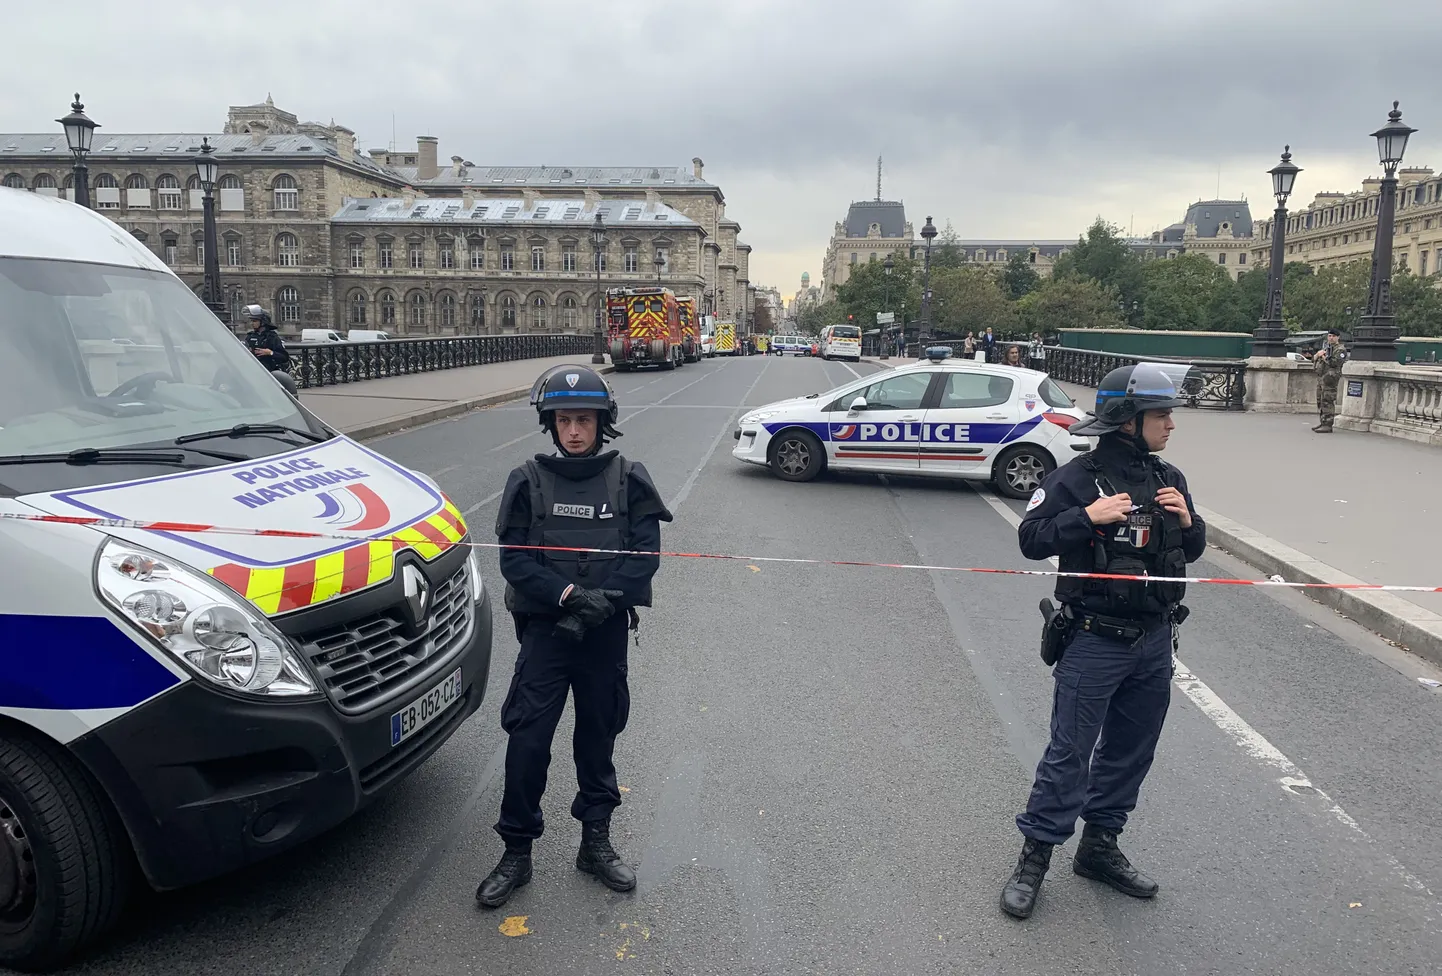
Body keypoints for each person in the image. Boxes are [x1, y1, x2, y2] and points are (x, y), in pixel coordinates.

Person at [1000, 362, 1207, 921]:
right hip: (1094, 640)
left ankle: (1099, 848)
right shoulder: (1075, 479)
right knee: (1069, 754)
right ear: (1127, 419)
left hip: (1154, 641)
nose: (1170, 424)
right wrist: (1087, 518)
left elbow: (1189, 551)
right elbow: (1030, 539)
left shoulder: (1169, 477)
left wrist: (1188, 522)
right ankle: (1035, 858)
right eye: (1161, 414)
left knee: (1129, 753)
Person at [478, 365, 673, 909]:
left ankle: (596, 843)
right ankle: (516, 851)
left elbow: (643, 559)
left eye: (584, 420)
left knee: (597, 739)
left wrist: (600, 604)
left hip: (603, 636)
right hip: (547, 635)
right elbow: (515, 562)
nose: (574, 431)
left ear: (602, 422)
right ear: (552, 423)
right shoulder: (528, 481)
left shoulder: (629, 479)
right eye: (564, 420)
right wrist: (567, 598)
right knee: (527, 742)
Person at [1312, 328, 1347, 433]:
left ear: (1338, 337)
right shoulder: (1327, 348)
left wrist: (1324, 357)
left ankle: (1328, 424)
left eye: (1333, 336)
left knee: (1328, 400)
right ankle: (1323, 421)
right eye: (1329, 336)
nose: (1331, 338)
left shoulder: (1340, 350)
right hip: (1323, 377)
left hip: (1331, 378)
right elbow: (1314, 360)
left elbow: (1335, 363)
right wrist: (1318, 355)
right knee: (1321, 400)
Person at [242, 304, 291, 375]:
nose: (252, 323)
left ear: (263, 321)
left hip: (267, 373)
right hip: (252, 371)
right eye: (252, 321)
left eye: (255, 321)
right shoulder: (250, 336)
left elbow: (284, 357)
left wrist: (270, 353)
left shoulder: (271, 337)